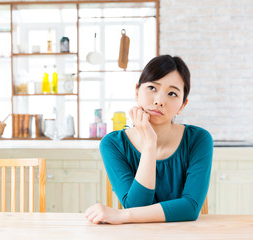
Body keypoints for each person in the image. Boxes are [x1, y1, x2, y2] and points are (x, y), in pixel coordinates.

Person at [85, 55, 213, 224]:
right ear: (136, 92)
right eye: (152, 88)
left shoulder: (198, 139)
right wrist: (149, 145)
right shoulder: (113, 144)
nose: (159, 101)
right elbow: (137, 205)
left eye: (172, 93)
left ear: (182, 105)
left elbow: (190, 208)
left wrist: (122, 215)